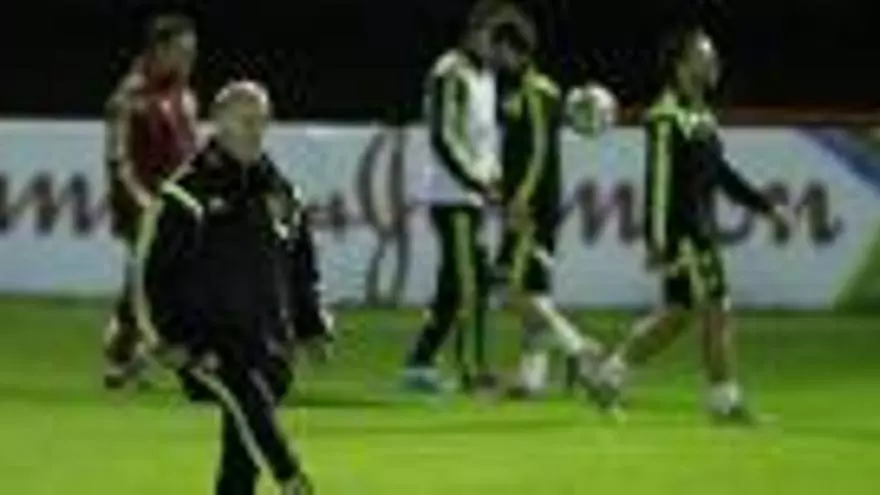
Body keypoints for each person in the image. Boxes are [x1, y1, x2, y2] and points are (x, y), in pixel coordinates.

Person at [134, 81, 331, 494]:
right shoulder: (187, 193)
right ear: (218, 123)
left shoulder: (282, 192)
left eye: (261, 121)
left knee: (241, 458)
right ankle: (292, 478)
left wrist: (312, 326)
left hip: (270, 339)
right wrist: (164, 338)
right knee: (247, 400)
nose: (255, 130)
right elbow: (151, 274)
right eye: (245, 120)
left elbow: (301, 268)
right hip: (207, 342)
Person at [593, 27, 789, 422]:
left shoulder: (702, 117)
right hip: (684, 234)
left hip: (699, 229)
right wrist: (659, 240)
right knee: (717, 309)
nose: (713, 62)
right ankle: (724, 402)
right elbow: (658, 183)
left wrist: (766, 208)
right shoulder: (666, 118)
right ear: (681, 65)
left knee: (677, 315)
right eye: (704, 55)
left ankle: (609, 376)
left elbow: (722, 174)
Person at [489, 8, 612, 398]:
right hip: (526, 203)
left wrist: (520, 198)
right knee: (534, 292)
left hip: (531, 208)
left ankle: (579, 347)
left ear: (514, 48)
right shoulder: (519, 91)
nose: (494, 56)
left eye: (498, 48)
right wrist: (501, 184)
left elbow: (539, 152)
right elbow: (519, 150)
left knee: (509, 289)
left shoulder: (538, 91)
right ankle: (532, 377)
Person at [402, 0, 506, 393]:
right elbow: (444, 137)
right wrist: (477, 181)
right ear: (474, 33)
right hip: (452, 198)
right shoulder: (450, 73)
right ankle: (473, 371)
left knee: (454, 287)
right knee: (470, 284)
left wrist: (493, 176)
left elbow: (483, 139)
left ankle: (419, 364)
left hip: (470, 197)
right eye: (491, 35)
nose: (496, 44)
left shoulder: (486, 75)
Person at [103, 13, 199, 389]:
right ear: (159, 50)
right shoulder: (129, 97)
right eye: (182, 52)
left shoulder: (182, 95)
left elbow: (189, 152)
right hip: (142, 203)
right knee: (146, 280)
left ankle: (132, 352)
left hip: (176, 202)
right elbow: (118, 160)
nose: (189, 60)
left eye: (191, 53)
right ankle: (123, 354)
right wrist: (142, 200)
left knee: (159, 280)